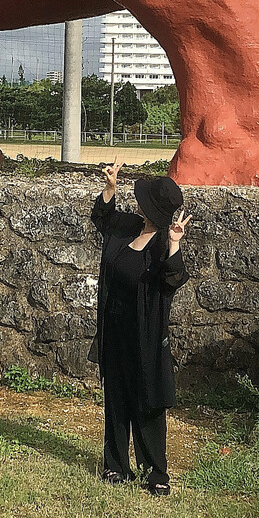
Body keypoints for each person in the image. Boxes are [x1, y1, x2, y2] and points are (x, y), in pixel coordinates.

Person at [90, 161, 191, 496]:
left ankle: (156, 472)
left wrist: (175, 243)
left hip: (144, 336)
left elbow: (173, 278)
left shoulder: (161, 244)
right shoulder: (129, 227)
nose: (138, 203)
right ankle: (116, 465)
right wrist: (110, 188)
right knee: (116, 398)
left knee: (148, 402)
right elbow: (101, 218)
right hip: (114, 330)